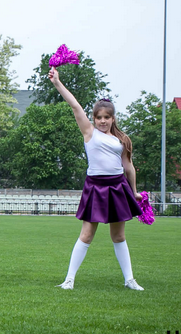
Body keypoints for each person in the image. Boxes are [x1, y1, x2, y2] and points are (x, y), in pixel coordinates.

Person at [49, 66, 144, 290]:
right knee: (87, 234)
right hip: (95, 187)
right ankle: (69, 279)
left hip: (117, 187)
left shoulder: (123, 140)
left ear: (113, 118)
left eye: (106, 117)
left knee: (119, 236)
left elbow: (128, 167)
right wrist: (57, 83)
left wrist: (134, 191)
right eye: (98, 117)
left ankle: (129, 280)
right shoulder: (89, 132)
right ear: (94, 118)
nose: (102, 121)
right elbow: (74, 105)